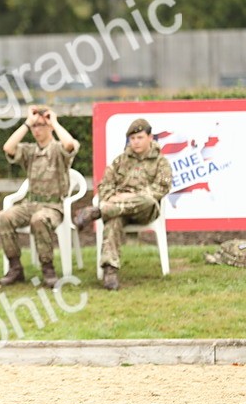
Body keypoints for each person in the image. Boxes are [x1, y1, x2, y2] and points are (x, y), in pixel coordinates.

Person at [74, 117, 173, 290]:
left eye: (140, 138)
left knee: (147, 199)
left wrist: (127, 198)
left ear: (150, 138)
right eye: (133, 138)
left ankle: (97, 212)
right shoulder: (120, 161)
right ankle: (110, 271)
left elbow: (162, 188)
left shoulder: (161, 162)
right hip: (118, 211)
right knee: (113, 221)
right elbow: (105, 184)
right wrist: (111, 197)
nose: (136, 142)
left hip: (145, 210)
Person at [0, 105, 79, 287]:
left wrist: (54, 122)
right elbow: (8, 147)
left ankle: (48, 268)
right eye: (35, 126)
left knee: (39, 219)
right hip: (31, 203)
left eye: (41, 125)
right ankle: (15, 267)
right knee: (4, 216)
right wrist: (27, 122)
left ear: (49, 127)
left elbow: (70, 145)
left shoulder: (58, 149)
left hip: (54, 206)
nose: (37, 129)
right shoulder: (30, 151)